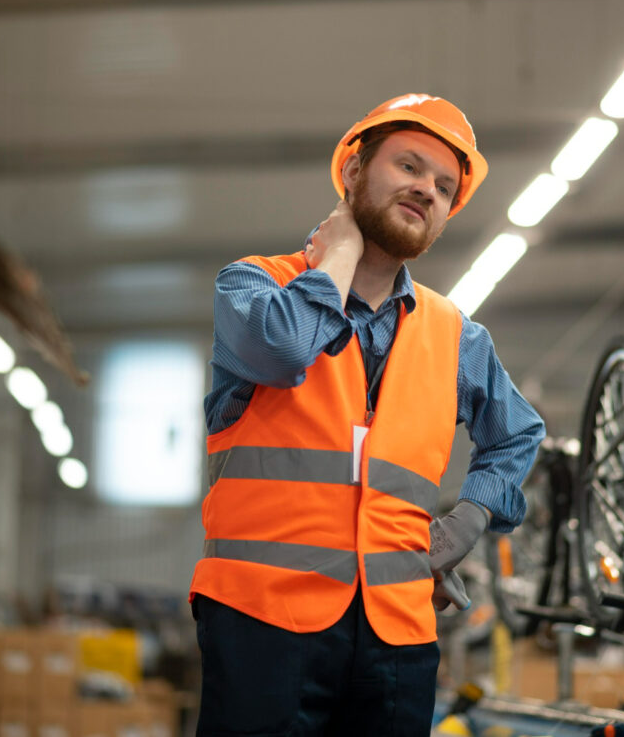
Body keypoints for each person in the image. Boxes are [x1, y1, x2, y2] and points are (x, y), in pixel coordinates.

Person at [189, 93, 545, 736]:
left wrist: (468, 519)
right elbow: (284, 350)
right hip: (262, 624)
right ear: (352, 171)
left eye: (445, 186)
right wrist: (339, 258)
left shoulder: (457, 337)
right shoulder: (251, 286)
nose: (427, 191)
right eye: (409, 167)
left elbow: (518, 433)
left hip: (396, 637)